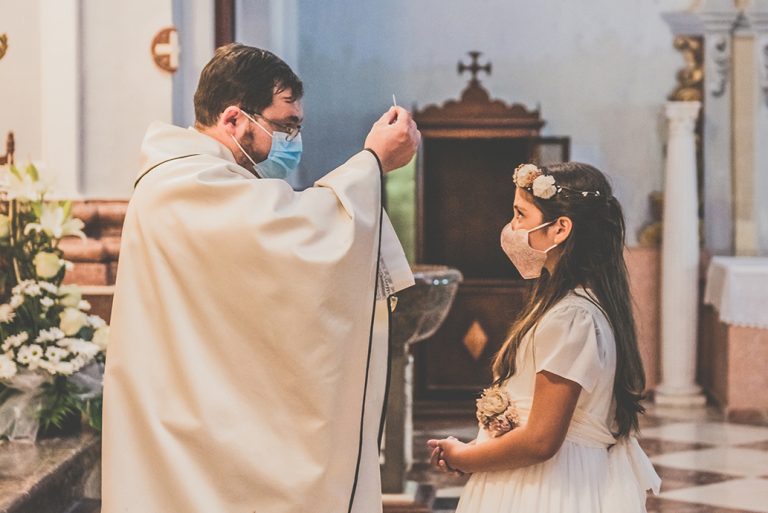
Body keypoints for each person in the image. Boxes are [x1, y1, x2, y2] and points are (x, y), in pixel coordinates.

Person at [102, 44, 420, 513]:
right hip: (186, 428)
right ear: (233, 120)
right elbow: (295, 239)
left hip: (192, 412)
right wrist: (371, 163)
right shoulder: (186, 185)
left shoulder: (197, 179)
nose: (294, 139)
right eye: (285, 126)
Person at [428, 162, 661, 512]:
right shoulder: (573, 306)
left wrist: (468, 457)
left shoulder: (572, 317)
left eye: (521, 214)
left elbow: (541, 440)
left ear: (560, 229)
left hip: (549, 485)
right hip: (546, 475)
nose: (512, 227)